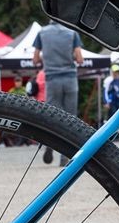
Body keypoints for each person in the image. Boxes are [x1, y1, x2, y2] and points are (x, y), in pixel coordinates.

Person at [32, 23, 84, 164]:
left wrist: (49, 58)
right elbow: (79, 58)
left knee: (52, 116)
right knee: (70, 118)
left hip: (52, 79)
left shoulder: (42, 33)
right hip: (70, 79)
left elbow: (35, 59)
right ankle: (65, 155)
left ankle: (49, 144)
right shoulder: (72, 33)